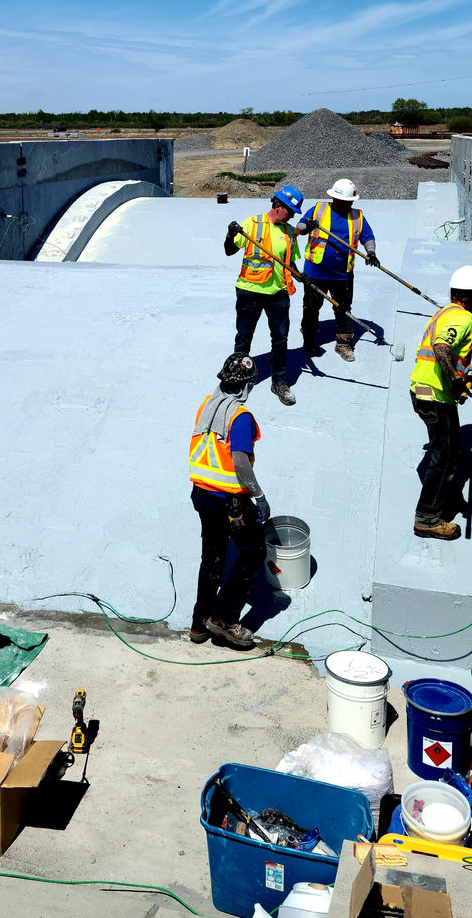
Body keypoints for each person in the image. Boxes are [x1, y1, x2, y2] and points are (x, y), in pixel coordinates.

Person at [188, 353, 270, 651]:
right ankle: (224, 619)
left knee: (212, 558)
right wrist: (258, 496)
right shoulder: (240, 416)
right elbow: (239, 461)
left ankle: (199, 624)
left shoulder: (207, 406)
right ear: (247, 385)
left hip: (202, 494)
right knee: (253, 551)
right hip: (230, 500)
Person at [408, 266, 472, 542]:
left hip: (426, 391)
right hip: (434, 396)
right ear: (469, 296)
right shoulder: (462, 318)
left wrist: (457, 379)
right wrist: (454, 379)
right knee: (445, 458)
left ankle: (443, 502)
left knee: (448, 453)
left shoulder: (445, 312)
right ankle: (427, 519)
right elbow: (441, 348)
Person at [224, 184, 304, 406]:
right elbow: (229, 250)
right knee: (243, 338)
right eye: (290, 211)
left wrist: (300, 275)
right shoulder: (253, 224)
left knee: (280, 339)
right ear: (278, 206)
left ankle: (279, 381)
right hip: (249, 291)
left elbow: (290, 260)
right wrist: (230, 235)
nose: (291, 217)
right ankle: (238, 379)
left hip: (278, 293)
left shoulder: (289, 232)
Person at [297, 178, 380, 362]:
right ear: (334, 198)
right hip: (315, 273)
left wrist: (371, 253)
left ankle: (343, 344)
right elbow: (300, 227)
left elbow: (367, 236)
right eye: (343, 201)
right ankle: (309, 341)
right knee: (310, 308)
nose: (346, 204)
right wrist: (307, 227)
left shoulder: (357, 217)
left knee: (343, 309)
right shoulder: (318, 210)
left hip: (342, 275)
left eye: (349, 202)